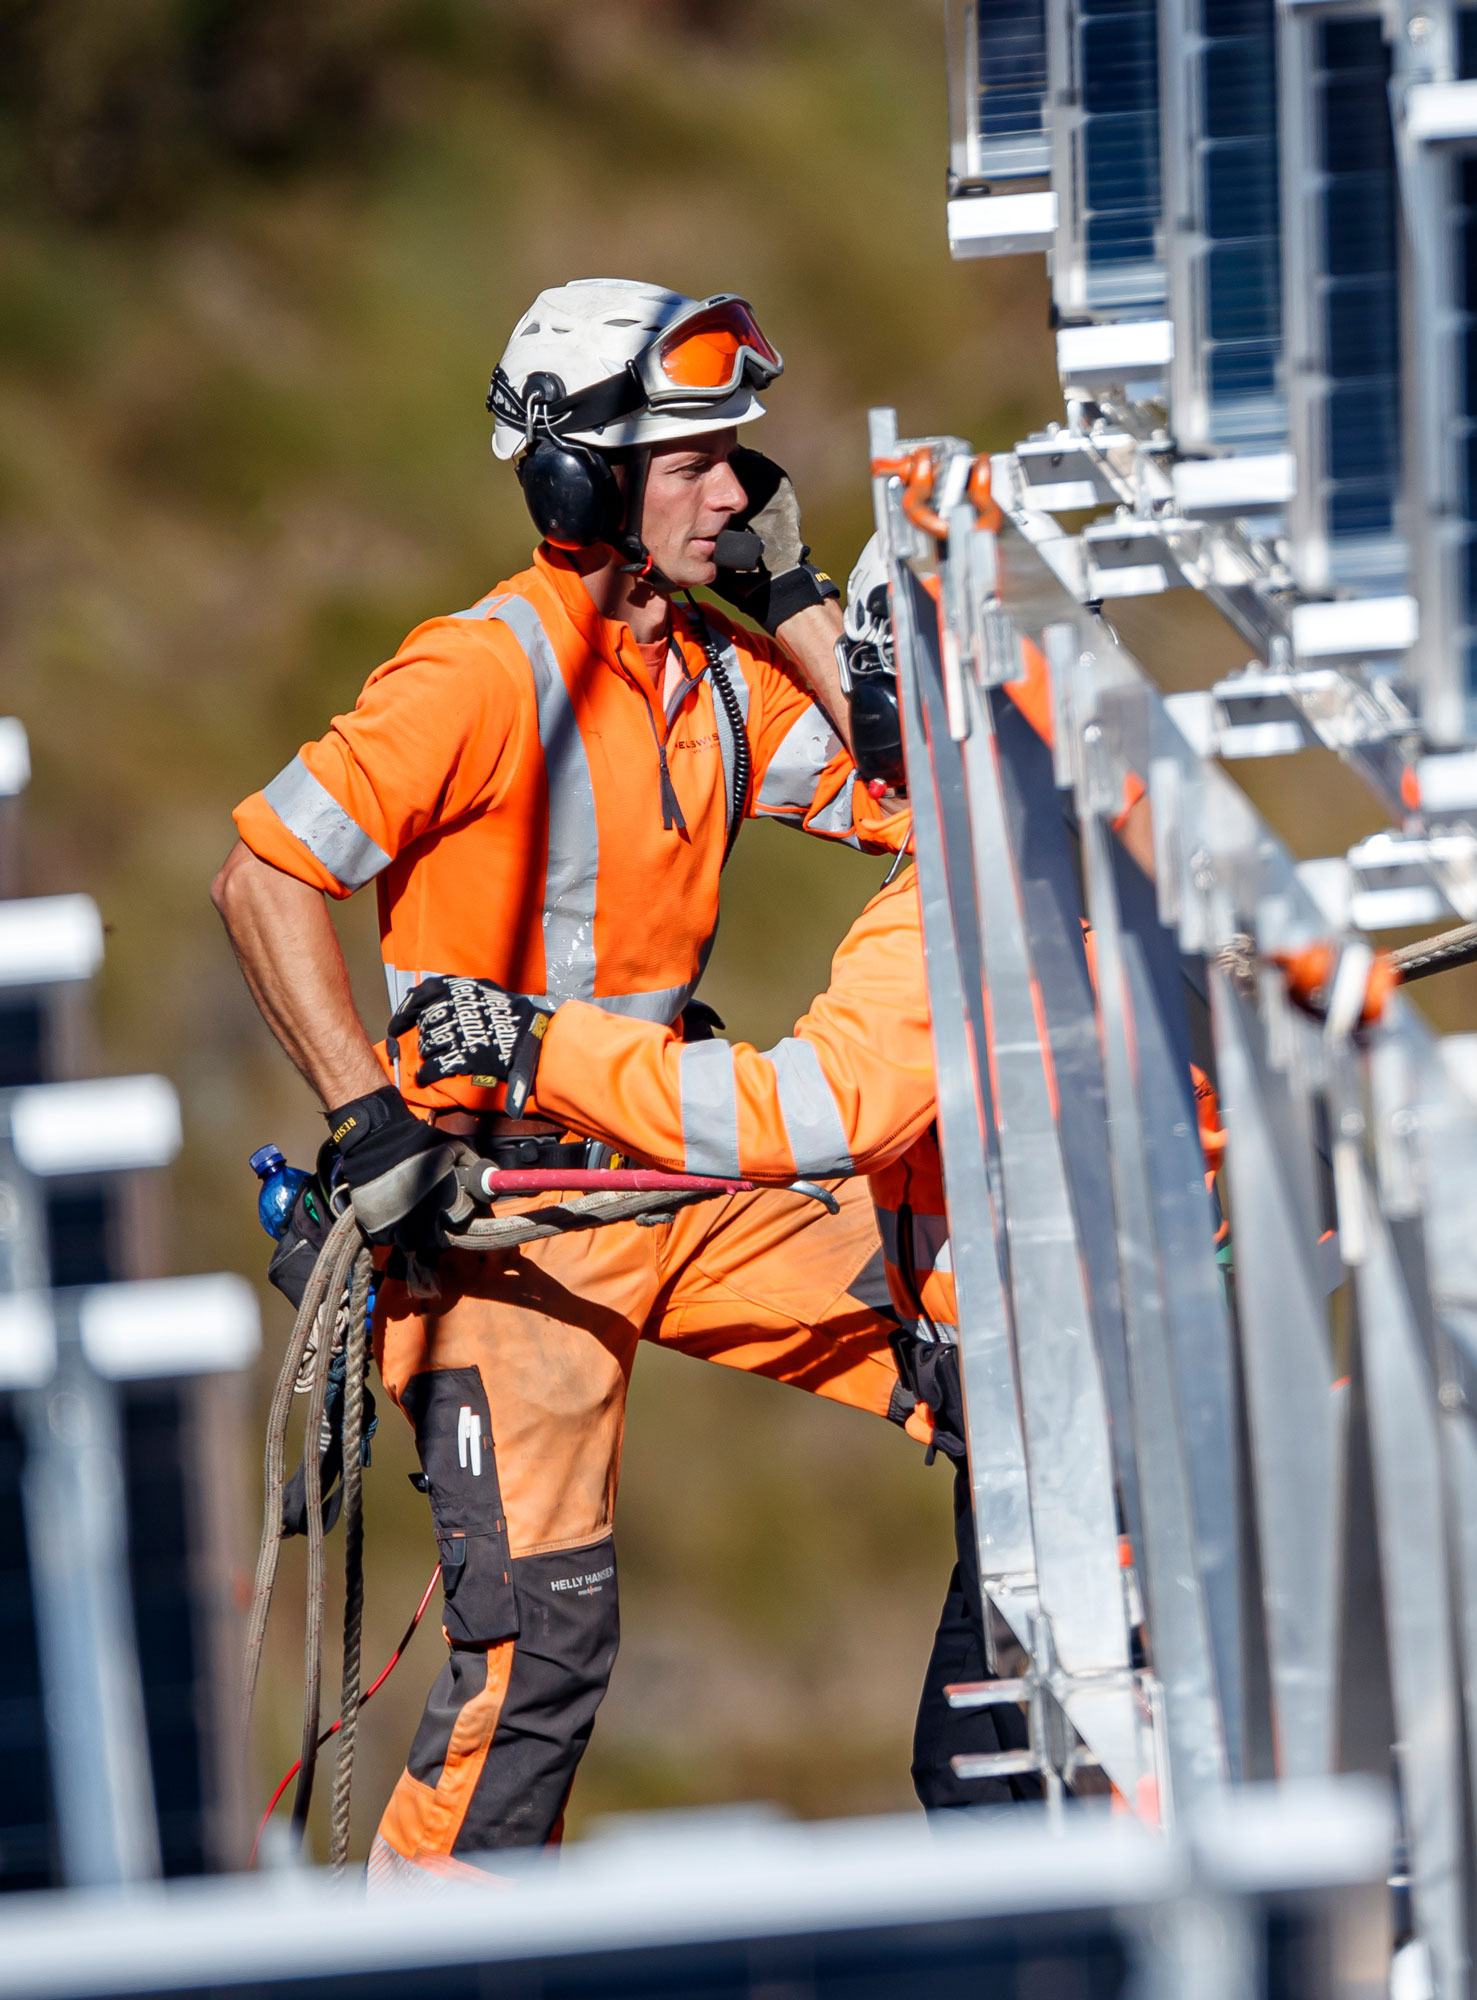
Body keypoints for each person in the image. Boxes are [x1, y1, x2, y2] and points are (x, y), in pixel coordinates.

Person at [211, 282, 945, 1878]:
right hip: (498, 1225)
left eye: (740, 460)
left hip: (675, 1175)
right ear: (573, 479)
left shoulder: (719, 682)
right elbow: (264, 879)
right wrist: (367, 1117)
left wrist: (802, 596)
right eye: (689, 462)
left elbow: (930, 801)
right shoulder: (475, 678)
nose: (733, 489)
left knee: (992, 1368)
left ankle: (1002, 1772)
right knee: (537, 1666)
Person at [395, 536, 1219, 1809]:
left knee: (1053, 1784)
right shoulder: (1141, 801)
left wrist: (535, 1043)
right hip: (1139, 1373)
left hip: (1088, 1416)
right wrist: (796, 601)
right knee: (983, 1763)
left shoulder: (971, 897)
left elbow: (800, 1111)